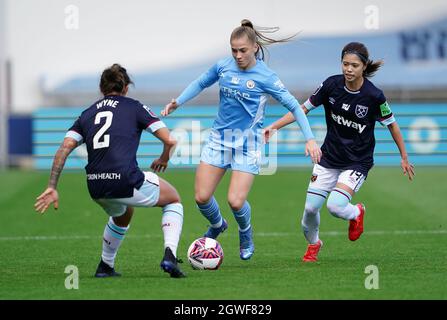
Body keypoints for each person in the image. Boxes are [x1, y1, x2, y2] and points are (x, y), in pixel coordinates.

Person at [162, 19, 322, 260]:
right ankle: (217, 225)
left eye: (243, 50)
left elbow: (295, 107)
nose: (237, 55)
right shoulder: (223, 66)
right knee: (201, 198)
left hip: (248, 144)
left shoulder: (266, 76)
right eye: (234, 50)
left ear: (255, 47)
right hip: (219, 139)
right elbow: (201, 82)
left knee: (236, 201)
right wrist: (178, 101)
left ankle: (245, 232)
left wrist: (310, 139)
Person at [264, 42, 415, 262]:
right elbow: (302, 109)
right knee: (309, 210)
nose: (348, 69)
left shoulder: (374, 96)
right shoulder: (330, 85)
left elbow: (392, 125)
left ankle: (357, 213)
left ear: (364, 67)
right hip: (329, 158)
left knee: (335, 206)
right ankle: (314, 245)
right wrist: (274, 126)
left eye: (354, 65)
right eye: (345, 64)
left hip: (357, 161)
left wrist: (404, 156)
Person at [34, 64, 186, 278]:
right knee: (173, 199)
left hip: (96, 185)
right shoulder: (134, 107)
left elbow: (64, 149)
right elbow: (170, 140)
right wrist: (163, 158)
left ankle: (105, 265)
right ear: (125, 87)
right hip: (125, 179)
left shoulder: (86, 114)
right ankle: (170, 255)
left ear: (101, 88)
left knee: (123, 213)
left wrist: (52, 187)